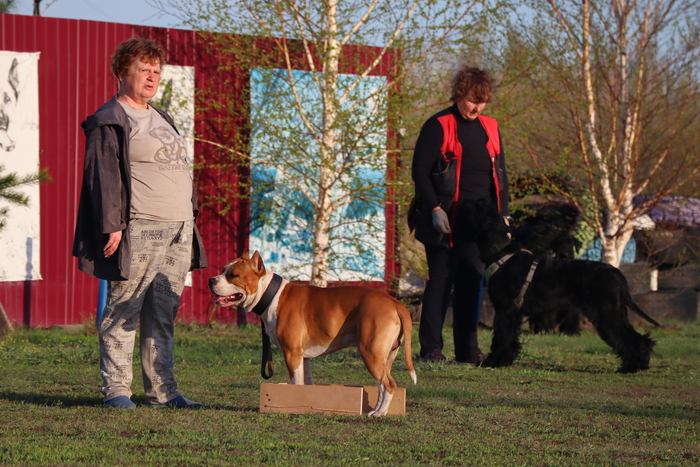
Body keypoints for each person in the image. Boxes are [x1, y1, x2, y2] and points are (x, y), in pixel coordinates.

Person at [72, 36, 208, 408]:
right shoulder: (109, 119)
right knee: (124, 309)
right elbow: (102, 177)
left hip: (178, 227)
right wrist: (113, 224)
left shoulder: (161, 116)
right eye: (143, 70)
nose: (151, 77)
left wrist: (190, 213)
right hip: (140, 228)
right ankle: (116, 390)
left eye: (156, 71)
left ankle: (163, 392)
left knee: (163, 313)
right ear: (122, 72)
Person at [411, 65, 509, 363]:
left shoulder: (491, 127)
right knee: (441, 280)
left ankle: (468, 351)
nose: (477, 107)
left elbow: (501, 173)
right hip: (445, 218)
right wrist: (435, 209)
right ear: (458, 94)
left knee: (472, 282)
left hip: (479, 223)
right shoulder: (438, 125)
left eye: (483, 102)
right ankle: (431, 349)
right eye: (472, 100)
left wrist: (503, 214)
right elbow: (420, 171)